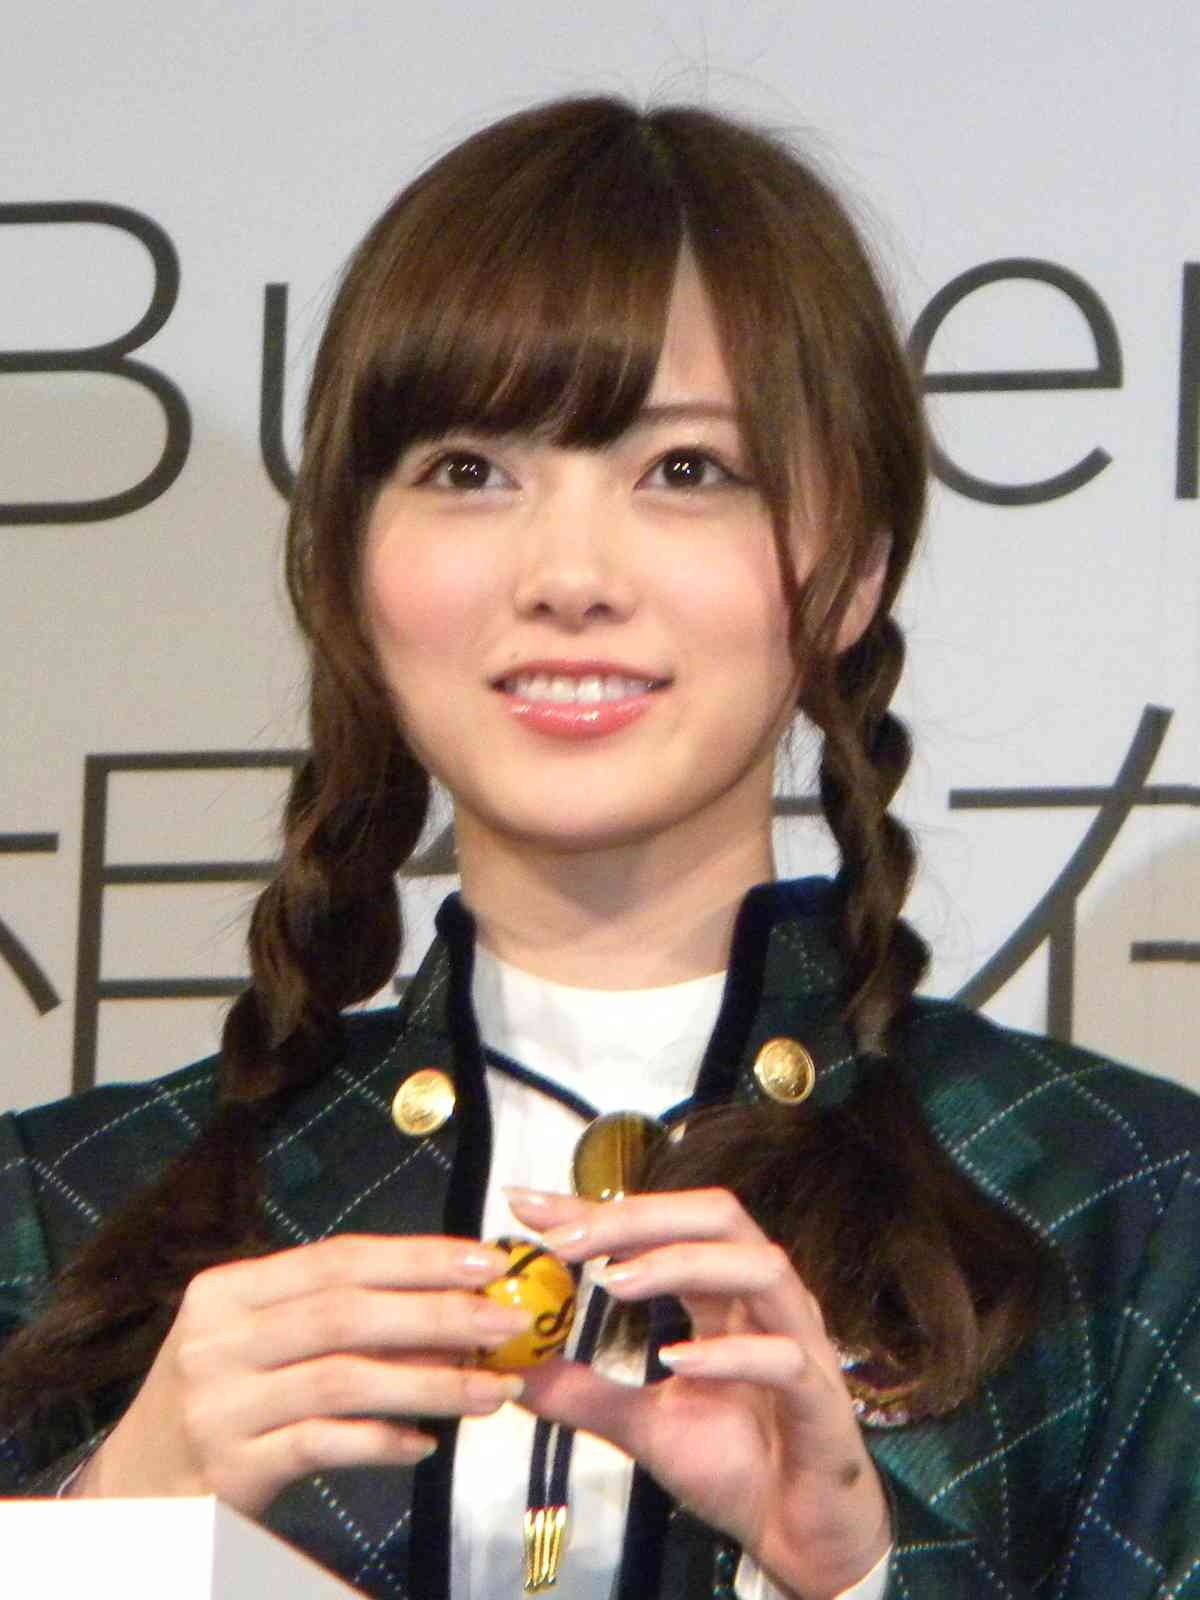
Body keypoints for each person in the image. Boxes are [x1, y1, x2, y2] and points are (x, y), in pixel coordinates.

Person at [1, 95, 1198, 1600]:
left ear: (852, 570)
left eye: (687, 470)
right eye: (468, 469)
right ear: (350, 568)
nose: (569, 574)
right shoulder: (67, 1209)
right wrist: (109, 1530)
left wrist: (848, 1584)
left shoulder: (1117, 1207)